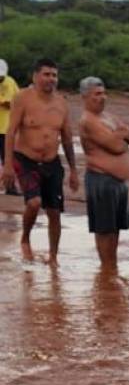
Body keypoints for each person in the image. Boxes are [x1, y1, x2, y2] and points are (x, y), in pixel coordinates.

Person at [2, 56, 79, 260]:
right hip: (26, 159)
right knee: (34, 202)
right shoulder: (23, 98)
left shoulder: (61, 103)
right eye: (46, 74)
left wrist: (74, 171)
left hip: (51, 162)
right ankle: (25, 238)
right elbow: (11, 132)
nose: (51, 79)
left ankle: (53, 257)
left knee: (54, 212)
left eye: (54, 75)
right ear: (35, 76)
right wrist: (7, 165)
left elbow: (68, 139)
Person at [79, 77, 129, 272]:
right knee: (105, 229)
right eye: (97, 94)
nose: (102, 97)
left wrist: (119, 134)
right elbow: (116, 146)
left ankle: (111, 270)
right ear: (85, 96)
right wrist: (121, 135)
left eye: (104, 93)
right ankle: (107, 270)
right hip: (101, 179)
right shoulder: (88, 120)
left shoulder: (109, 117)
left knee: (116, 228)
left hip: (118, 182)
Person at [0, 58, 20, 192]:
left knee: (8, 159)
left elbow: (18, 100)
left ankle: (10, 187)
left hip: (6, 129)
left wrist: (8, 103)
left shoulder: (11, 82)